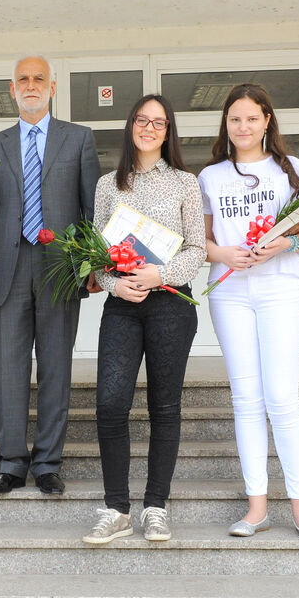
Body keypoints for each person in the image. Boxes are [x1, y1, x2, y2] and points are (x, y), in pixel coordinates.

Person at [0, 56, 101, 496]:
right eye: (23, 79)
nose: (31, 85)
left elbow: (91, 208)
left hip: (60, 269)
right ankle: (10, 464)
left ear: (52, 87)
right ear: (12, 89)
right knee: (7, 370)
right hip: (6, 269)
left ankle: (47, 463)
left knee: (55, 367)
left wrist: (92, 265)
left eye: (39, 78)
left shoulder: (78, 139)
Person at [199, 83, 299, 540]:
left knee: (282, 397)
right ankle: (257, 508)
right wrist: (223, 254)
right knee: (246, 399)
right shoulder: (210, 176)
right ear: (226, 124)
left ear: (267, 120)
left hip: (280, 290)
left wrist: (281, 246)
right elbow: (201, 242)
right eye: (235, 119)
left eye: (252, 118)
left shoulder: (292, 169)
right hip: (230, 293)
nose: (243, 126)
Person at [81, 95, 204, 544]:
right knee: (110, 405)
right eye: (142, 120)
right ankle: (117, 509)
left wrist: (160, 274)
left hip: (171, 303)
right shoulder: (107, 185)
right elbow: (96, 255)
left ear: (168, 131)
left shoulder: (185, 183)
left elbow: (197, 248)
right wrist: (114, 285)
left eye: (159, 122)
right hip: (123, 307)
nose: (149, 128)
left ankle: (156, 507)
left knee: (164, 408)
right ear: (130, 125)